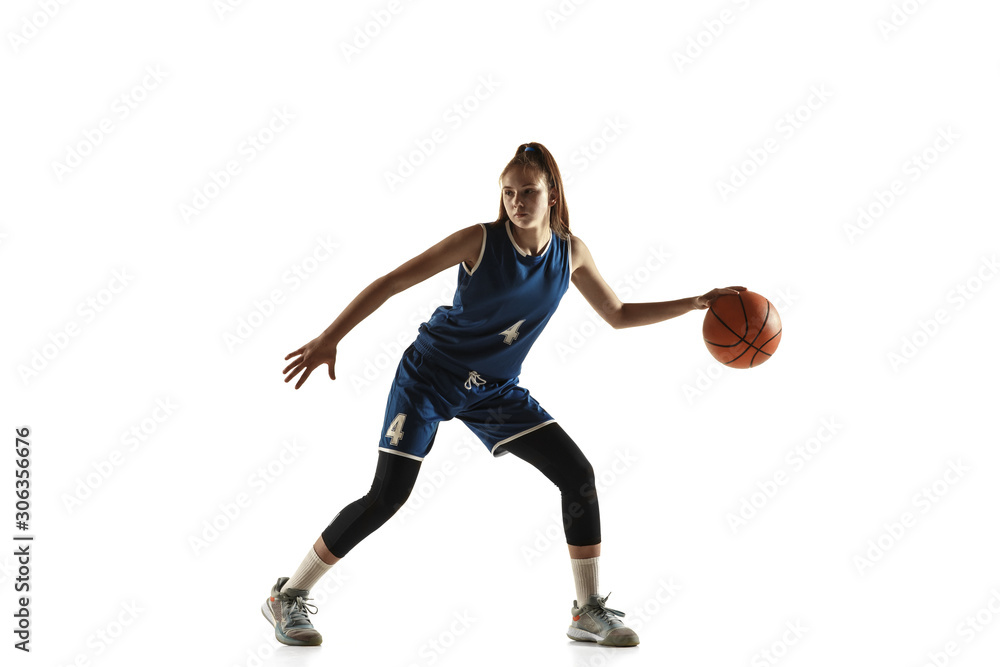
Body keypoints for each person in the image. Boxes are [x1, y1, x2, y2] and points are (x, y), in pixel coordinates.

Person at [262, 142, 744, 648]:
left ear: (552, 195)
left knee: (577, 475)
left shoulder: (571, 252)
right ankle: (287, 597)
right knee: (388, 496)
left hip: (494, 390)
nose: (517, 201)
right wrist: (330, 337)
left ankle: (586, 610)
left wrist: (694, 303)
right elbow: (392, 282)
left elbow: (619, 314)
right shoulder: (479, 241)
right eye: (509, 192)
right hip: (429, 376)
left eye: (529, 191)